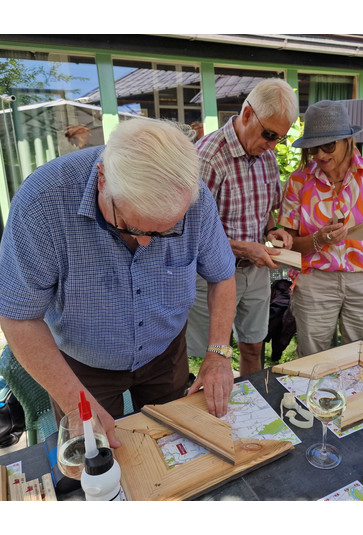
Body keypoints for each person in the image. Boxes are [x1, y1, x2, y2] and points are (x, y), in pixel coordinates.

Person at [0, 118, 237, 449]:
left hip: (165, 354)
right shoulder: (42, 203)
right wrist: (74, 401)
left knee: (173, 448)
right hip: (83, 366)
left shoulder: (195, 198)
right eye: (129, 226)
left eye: (165, 231)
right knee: (98, 460)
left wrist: (218, 353)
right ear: (102, 179)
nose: (145, 245)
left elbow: (222, 276)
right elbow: (19, 317)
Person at [186, 78, 299, 374]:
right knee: (205, 355)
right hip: (211, 276)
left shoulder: (267, 157)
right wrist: (242, 248)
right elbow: (189, 232)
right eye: (269, 134)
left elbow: (268, 215)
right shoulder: (208, 156)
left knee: (253, 345)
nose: (273, 145)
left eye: (280, 139)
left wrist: (275, 231)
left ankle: (254, 409)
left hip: (255, 271)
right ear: (247, 114)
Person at [278, 99, 363, 357]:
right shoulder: (299, 181)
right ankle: (315, 399)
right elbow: (287, 247)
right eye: (313, 148)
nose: (320, 155)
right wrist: (318, 241)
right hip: (315, 282)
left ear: (348, 140)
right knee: (312, 359)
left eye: (328, 145)